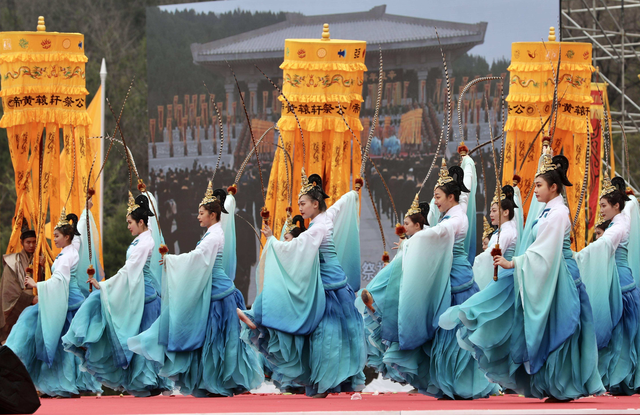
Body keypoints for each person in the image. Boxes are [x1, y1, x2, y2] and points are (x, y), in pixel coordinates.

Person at [476, 151, 604, 401]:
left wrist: (513, 262)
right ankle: (553, 384)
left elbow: (545, 251)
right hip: (551, 271)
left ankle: (563, 384)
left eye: (538, 185)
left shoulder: (557, 213)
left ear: (554, 187)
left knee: (561, 326)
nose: (534, 190)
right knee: (550, 326)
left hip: (561, 274)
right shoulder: (547, 211)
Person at [127, 183, 263, 397]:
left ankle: (221, 381)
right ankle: (219, 380)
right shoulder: (212, 234)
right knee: (216, 340)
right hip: (216, 292)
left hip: (218, 294)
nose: (198, 216)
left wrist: (171, 260)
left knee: (217, 340)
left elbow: (197, 259)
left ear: (213, 214)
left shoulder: (214, 236)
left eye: (201, 213)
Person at [238, 172, 366, 397]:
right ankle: (258, 316)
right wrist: (353, 193)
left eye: (303, 203)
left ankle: (260, 317)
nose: (300, 208)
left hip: (329, 289)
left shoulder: (317, 228)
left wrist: (272, 239)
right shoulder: (326, 216)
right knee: (329, 337)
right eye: (299, 204)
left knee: (324, 338)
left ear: (316, 204)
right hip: (335, 286)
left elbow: (293, 250)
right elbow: (340, 203)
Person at [380, 157, 496, 399]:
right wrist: (466, 164)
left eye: (438, 195)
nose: (434, 200)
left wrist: (413, 242)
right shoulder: (452, 213)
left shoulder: (456, 219)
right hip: (449, 279)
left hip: (457, 282)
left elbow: (435, 235)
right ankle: (448, 381)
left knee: (455, 333)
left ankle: (461, 383)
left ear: (450, 197)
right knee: (447, 331)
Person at [63, 193, 172, 396]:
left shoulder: (145, 242)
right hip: (141, 294)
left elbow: (129, 270)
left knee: (141, 338)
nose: (128, 226)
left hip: (146, 298)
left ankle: (147, 381)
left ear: (141, 222)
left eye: (130, 222)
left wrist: (104, 285)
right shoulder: (141, 239)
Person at [6, 211, 102, 397]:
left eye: (57, 236)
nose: (54, 239)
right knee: (63, 346)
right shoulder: (71, 248)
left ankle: (64, 386)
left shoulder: (66, 257)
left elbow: (59, 282)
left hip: (66, 304)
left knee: (60, 346)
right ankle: (62, 384)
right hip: (69, 302)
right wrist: (83, 212)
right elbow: (78, 239)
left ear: (67, 237)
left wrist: (37, 285)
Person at [575, 178, 640, 394]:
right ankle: (619, 378)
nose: (600, 210)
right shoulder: (617, 222)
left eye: (603, 206)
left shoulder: (619, 225)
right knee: (618, 333)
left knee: (621, 332)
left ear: (616, 206)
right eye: (600, 205)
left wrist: (577, 257)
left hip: (621, 283)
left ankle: (621, 378)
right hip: (619, 280)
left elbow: (602, 246)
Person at [357, 196, 430, 384]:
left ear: (418, 224)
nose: (404, 227)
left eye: (407, 223)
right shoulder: (411, 241)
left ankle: (377, 301)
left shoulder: (423, 238)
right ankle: (377, 303)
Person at [470, 185, 519, 290]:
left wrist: (472, 263)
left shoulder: (507, 232)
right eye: (490, 211)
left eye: (494, 211)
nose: (491, 214)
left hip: (504, 279)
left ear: (506, 212)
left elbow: (491, 254)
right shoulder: (502, 231)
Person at [0, 224, 39, 343]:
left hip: (39, 302)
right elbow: (9, 290)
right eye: (28, 242)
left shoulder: (41, 259)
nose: (31, 245)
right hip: (24, 302)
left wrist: (44, 266)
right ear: (22, 242)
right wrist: (30, 299)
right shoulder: (12, 262)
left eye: (34, 242)